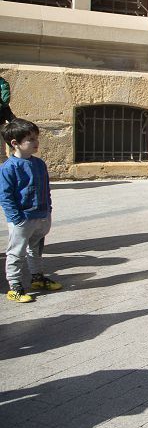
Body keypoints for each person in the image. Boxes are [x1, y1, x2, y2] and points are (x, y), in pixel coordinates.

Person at [2, 119, 59, 303]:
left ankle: (37, 277)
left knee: (36, 250)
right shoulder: (8, 168)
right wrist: (16, 219)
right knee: (16, 252)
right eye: (31, 139)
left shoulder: (39, 164)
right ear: (15, 143)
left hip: (41, 216)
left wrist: (48, 210)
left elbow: (45, 189)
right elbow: (6, 196)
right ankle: (15, 285)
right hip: (22, 218)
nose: (36, 143)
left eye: (36, 138)